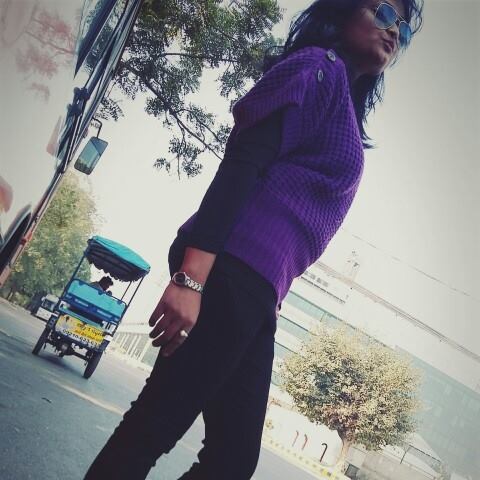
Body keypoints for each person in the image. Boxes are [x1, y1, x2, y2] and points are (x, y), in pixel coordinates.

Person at [84, 1, 423, 479]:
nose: (394, 32)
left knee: (231, 461)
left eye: (404, 30)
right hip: (232, 273)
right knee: (153, 429)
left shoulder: (340, 97)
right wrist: (191, 279)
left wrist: (267, 294)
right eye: (385, 13)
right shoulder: (318, 68)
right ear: (344, 10)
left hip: (259, 290)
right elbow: (244, 163)